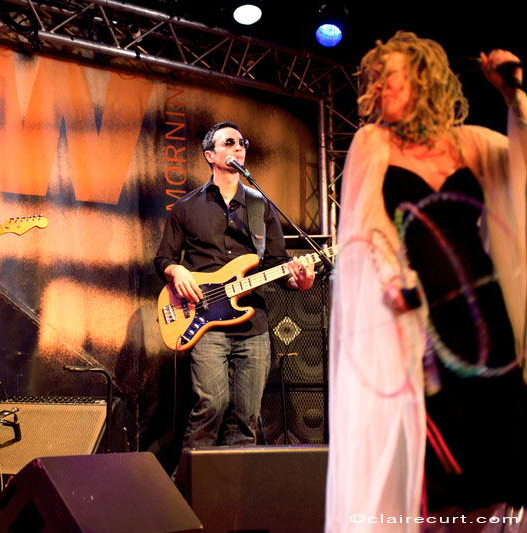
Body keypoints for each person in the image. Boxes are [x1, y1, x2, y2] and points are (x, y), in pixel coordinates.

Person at [326, 31, 527, 530]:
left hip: (484, 318)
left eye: (388, 77)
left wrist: (514, 95)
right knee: (438, 476)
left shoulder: (469, 142)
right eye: (372, 81)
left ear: (422, 78)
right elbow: (367, 224)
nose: (377, 88)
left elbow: (523, 162)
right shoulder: (374, 141)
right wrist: (393, 278)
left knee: (491, 468)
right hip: (423, 323)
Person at [154, 121, 315, 452]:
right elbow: (163, 259)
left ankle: (233, 485)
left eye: (242, 142)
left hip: (252, 325)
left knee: (246, 419)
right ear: (210, 155)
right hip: (204, 323)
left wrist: (298, 280)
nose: (238, 147)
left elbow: (275, 264)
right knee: (210, 408)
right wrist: (176, 270)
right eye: (229, 142)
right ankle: (190, 482)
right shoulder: (186, 207)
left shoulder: (260, 206)